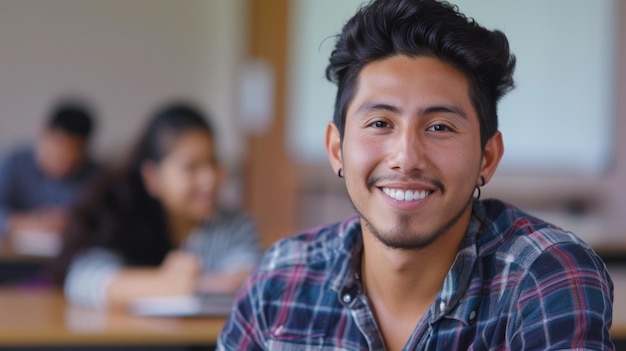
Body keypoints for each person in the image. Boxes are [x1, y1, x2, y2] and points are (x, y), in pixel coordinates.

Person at [218, 0, 614, 350]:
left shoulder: (543, 274)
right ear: (337, 150)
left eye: (439, 127)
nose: (406, 158)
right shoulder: (282, 278)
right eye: (379, 123)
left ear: (487, 158)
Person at [55, 102, 261, 309]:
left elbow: (247, 281)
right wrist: (165, 283)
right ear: (152, 177)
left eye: (213, 162)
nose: (209, 180)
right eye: (191, 167)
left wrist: (190, 283)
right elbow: (82, 280)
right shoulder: (119, 215)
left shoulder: (233, 225)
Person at [0, 100, 100, 246]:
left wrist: (72, 224)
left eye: (72, 161)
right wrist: (31, 222)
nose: (63, 167)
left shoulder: (97, 176)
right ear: (41, 133)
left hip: (68, 259)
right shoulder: (15, 163)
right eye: (57, 157)